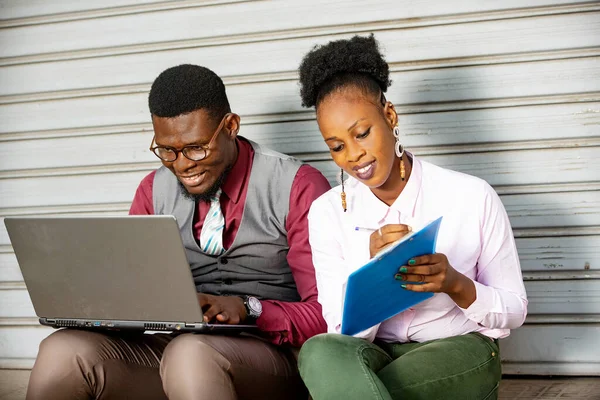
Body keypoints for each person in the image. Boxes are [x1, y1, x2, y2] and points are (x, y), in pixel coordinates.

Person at [26, 64, 331, 400]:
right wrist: (105, 311)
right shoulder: (152, 191)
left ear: (230, 126)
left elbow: (328, 313)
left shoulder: (297, 186)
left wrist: (248, 307)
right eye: (167, 150)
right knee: (62, 351)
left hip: (269, 358)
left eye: (196, 147)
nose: (183, 165)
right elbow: (136, 295)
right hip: (176, 353)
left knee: (192, 354)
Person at [296, 35, 528, 400]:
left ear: (389, 116)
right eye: (337, 146)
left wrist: (455, 284)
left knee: (348, 389)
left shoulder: (470, 195)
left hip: (459, 347)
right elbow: (341, 329)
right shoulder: (327, 213)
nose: (354, 155)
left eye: (362, 133)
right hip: (377, 353)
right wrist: (369, 271)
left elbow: (514, 310)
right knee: (319, 351)